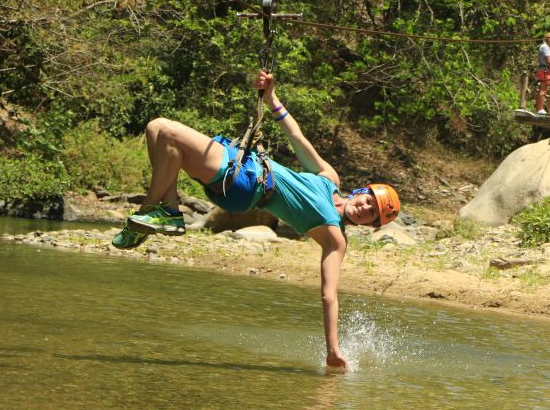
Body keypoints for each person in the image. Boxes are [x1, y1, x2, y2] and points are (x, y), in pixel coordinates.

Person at [110, 70, 401, 371]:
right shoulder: (330, 179)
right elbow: (296, 136)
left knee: (169, 133)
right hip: (243, 161)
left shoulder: (335, 239)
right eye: (368, 200)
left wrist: (333, 350)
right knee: (156, 128)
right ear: (361, 191)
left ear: (369, 225)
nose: (364, 209)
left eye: (371, 214)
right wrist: (271, 98)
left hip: (246, 186)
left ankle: (150, 212)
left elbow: (329, 295)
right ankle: (168, 209)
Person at [536, 32, 550, 114]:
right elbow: (548, 60)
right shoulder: (544, 47)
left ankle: (539, 108)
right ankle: (540, 109)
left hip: (547, 70)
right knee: (543, 89)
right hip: (544, 69)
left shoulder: (549, 48)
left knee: (544, 89)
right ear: (546, 38)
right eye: (549, 37)